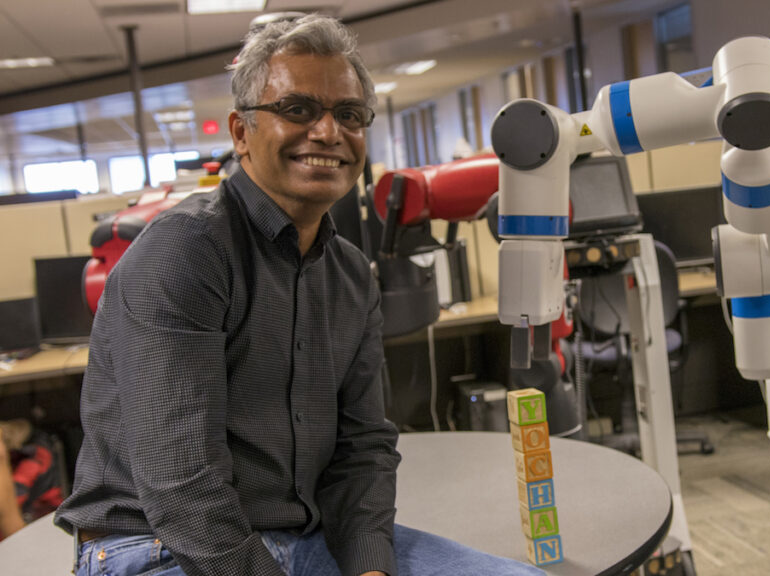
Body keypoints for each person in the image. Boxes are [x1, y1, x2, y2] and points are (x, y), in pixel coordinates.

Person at [55, 14, 542, 576]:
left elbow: (363, 446)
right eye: (298, 109)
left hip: (307, 540)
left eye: (350, 115)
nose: (329, 132)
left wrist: (369, 568)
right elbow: (181, 483)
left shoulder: (351, 274)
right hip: (157, 545)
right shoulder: (187, 250)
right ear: (241, 133)